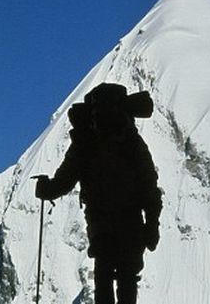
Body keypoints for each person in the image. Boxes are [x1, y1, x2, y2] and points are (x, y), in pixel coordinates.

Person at [34, 83, 162, 304]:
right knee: (127, 277)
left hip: (100, 224)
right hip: (130, 224)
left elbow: (65, 180)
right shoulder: (132, 143)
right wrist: (152, 225)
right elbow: (149, 188)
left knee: (103, 275)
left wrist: (47, 189)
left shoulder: (85, 144)